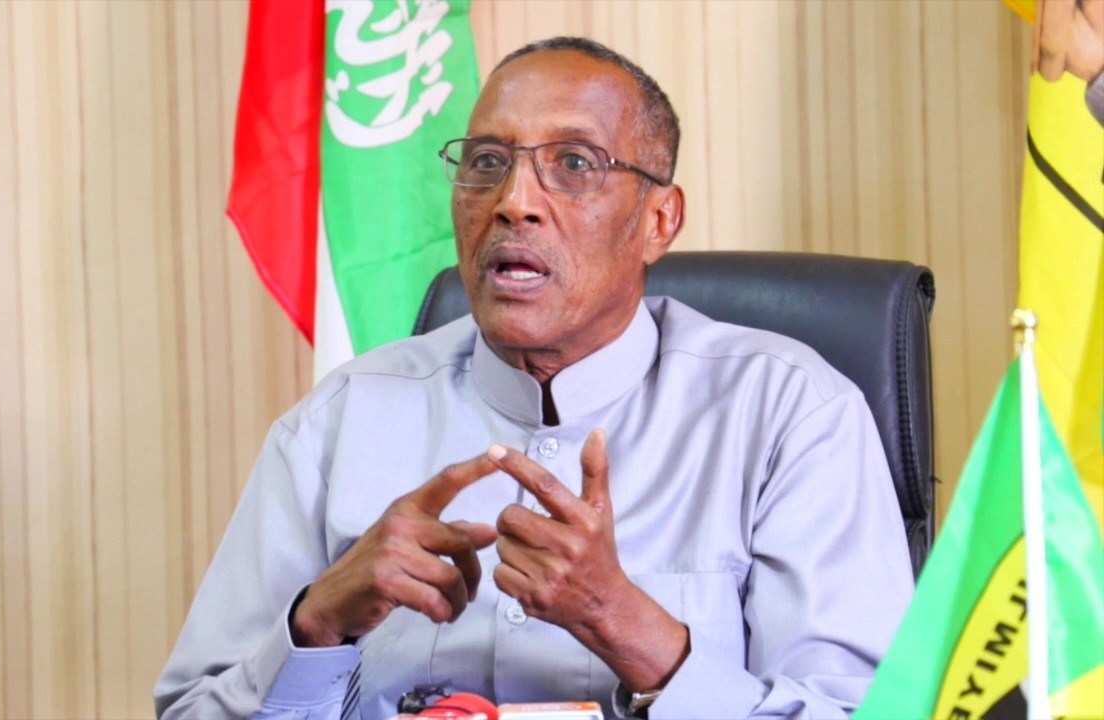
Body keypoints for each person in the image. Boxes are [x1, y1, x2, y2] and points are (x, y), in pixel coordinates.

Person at [155, 37, 912, 719]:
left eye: (574, 164)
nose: (514, 203)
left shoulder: (791, 415)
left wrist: (621, 621)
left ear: (659, 221)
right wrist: (317, 624)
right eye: (487, 163)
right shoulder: (341, 420)